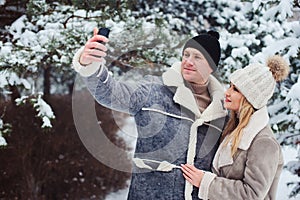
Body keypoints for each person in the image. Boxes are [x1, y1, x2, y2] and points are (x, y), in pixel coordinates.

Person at [72, 27, 227, 199]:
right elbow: (109, 92)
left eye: (197, 57)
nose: (188, 61)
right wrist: (90, 65)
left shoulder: (222, 113)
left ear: (212, 66)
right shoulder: (154, 91)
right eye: (186, 55)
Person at [181, 55, 289, 200]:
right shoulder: (233, 128)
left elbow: (251, 194)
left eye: (236, 90)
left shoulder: (264, 142)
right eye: (230, 86)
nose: (228, 92)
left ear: (250, 99)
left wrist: (206, 182)